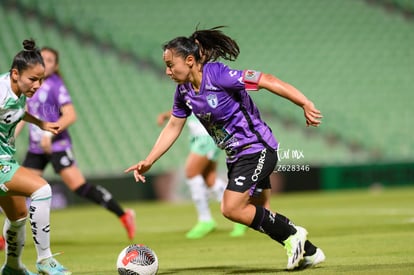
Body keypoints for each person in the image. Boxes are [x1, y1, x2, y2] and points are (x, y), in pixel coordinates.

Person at [125, 26, 325, 270]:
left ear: (190, 60)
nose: (167, 71)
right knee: (260, 212)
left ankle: (294, 235)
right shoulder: (183, 91)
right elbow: (173, 126)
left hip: (256, 148)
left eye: (170, 64)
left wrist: (303, 102)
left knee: (231, 208)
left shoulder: (219, 75)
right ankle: (311, 253)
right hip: (236, 156)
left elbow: (266, 80)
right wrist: (149, 160)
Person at [16, 46, 136, 241]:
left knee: (79, 187)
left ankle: (124, 215)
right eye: (42, 58)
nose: (45, 63)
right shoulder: (31, 84)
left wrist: (50, 135)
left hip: (57, 145)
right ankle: (8, 238)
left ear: (56, 66)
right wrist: (10, 136)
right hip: (36, 148)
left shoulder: (56, 85)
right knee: (18, 190)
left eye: (50, 60)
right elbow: (23, 114)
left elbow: (71, 115)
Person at [0, 39, 71, 275]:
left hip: (7, 157)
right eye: (33, 79)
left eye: (41, 79)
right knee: (42, 190)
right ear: (15, 73)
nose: (38, 85)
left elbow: (18, 112)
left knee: (18, 216)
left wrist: (41, 123)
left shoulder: (17, 89)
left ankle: (12, 267)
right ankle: (45, 259)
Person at [157, 111, 247, 239]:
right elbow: (184, 107)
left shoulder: (198, 91)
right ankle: (239, 214)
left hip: (205, 138)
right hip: (202, 138)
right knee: (210, 179)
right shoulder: (187, 93)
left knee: (191, 172)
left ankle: (205, 220)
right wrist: (166, 115)